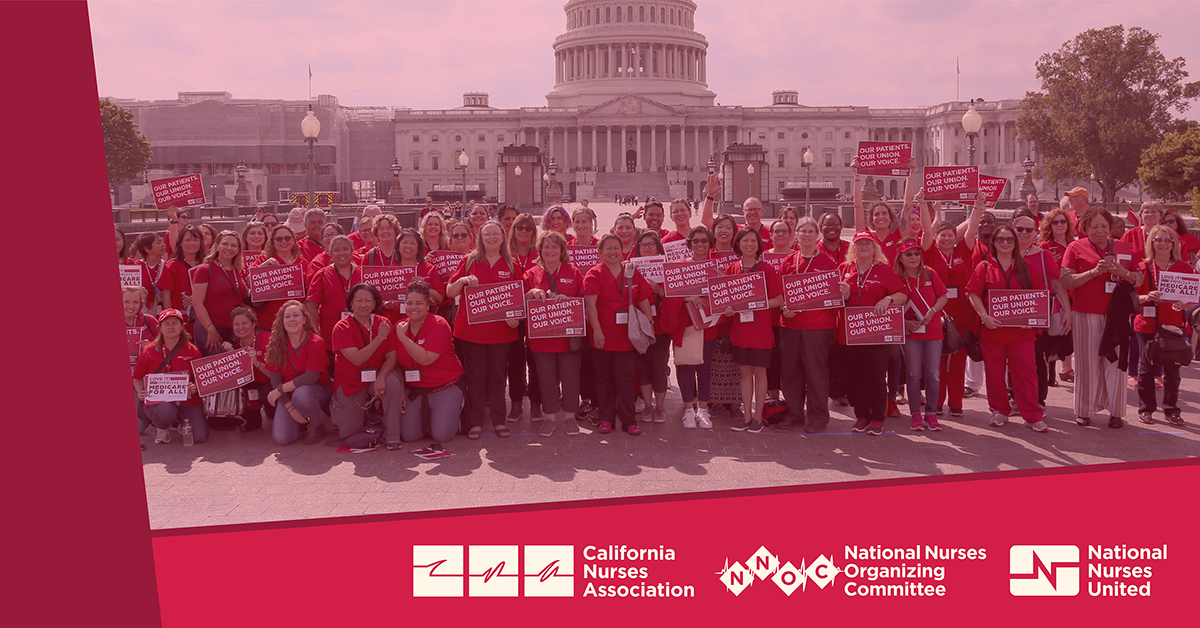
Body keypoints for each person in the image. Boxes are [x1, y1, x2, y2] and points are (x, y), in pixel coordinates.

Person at [1060, 207, 1143, 429]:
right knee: (1087, 363)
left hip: (1116, 315)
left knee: (1115, 364)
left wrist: (1122, 272)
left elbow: (1139, 279)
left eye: (1104, 226)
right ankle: (1084, 411)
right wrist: (1093, 273)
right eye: (1094, 226)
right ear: (1085, 228)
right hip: (1086, 313)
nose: (1100, 231)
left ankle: (1116, 412)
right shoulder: (1075, 247)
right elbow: (1066, 281)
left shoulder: (1122, 248)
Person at [967, 225, 1053, 431]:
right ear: (993, 243)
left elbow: (1039, 295)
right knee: (995, 374)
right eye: (1000, 239)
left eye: (1009, 240)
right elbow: (973, 294)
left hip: (1021, 333)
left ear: (1015, 243)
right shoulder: (985, 266)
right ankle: (999, 410)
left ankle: (1032, 414)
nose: (1005, 243)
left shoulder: (1026, 267)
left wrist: (1032, 317)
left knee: (1026, 374)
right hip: (992, 331)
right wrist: (984, 316)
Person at [446, 221, 523, 440]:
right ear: (480, 238)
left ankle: (499, 421)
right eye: (486, 234)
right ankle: (476, 422)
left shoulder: (512, 265)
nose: (491, 238)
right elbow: (450, 291)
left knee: (498, 377)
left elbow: (519, 298)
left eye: (495, 234)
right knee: (476, 378)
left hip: (501, 334)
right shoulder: (469, 261)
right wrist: (462, 280)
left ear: (502, 237)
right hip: (471, 333)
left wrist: (515, 317)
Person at [834, 232, 908, 435]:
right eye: (860, 244)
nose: (864, 247)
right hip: (849, 333)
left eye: (868, 243)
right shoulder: (844, 269)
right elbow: (832, 300)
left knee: (875, 376)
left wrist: (888, 300)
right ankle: (860, 415)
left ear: (874, 248)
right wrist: (846, 297)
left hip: (876, 334)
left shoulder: (884, 270)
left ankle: (877, 417)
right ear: (853, 248)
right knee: (854, 377)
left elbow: (902, 294)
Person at [583, 234, 653, 436]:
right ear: (600, 252)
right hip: (602, 337)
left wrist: (648, 323)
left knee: (626, 380)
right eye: (608, 248)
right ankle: (606, 418)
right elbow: (591, 306)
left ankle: (628, 420)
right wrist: (597, 331)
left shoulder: (631, 272)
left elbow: (643, 299)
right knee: (603, 380)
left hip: (628, 337)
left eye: (616, 247)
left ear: (621, 250)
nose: (613, 251)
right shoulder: (594, 274)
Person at [926, 193, 985, 417]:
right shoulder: (930, 254)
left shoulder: (964, 251)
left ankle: (956, 402)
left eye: (950, 235)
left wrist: (977, 208)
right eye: (943, 236)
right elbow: (927, 230)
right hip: (938, 316)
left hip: (962, 315)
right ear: (936, 238)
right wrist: (930, 209)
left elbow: (971, 230)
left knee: (958, 362)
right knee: (938, 363)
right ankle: (938, 401)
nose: (947, 239)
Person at [776, 217, 837, 433]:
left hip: (817, 327)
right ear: (797, 235)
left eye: (812, 231)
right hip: (791, 325)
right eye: (803, 231)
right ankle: (794, 414)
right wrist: (784, 308)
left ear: (817, 236)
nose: (807, 235)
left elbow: (833, 296)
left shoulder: (828, 262)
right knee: (790, 373)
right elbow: (780, 294)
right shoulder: (789, 261)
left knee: (816, 373)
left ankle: (818, 417)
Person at [523, 230, 586, 437]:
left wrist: (568, 301)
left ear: (562, 251)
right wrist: (530, 294)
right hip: (541, 340)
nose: (550, 250)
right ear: (540, 250)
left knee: (571, 378)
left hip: (568, 339)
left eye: (554, 246)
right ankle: (549, 417)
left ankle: (570, 417)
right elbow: (519, 302)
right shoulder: (531, 274)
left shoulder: (573, 272)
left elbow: (583, 300)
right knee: (546, 379)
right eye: (546, 246)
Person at [723, 227, 784, 432]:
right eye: (745, 241)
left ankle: (758, 417)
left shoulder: (767, 269)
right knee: (744, 373)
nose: (749, 244)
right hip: (740, 330)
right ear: (738, 244)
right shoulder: (732, 268)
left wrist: (757, 303)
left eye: (753, 241)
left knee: (760, 373)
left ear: (759, 245)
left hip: (760, 331)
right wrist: (728, 309)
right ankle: (747, 415)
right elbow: (725, 300)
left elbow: (779, 299)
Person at [393, 279, 465, 448]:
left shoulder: (438, 324)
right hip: (416, 389)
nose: (413, 307)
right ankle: (428, 418)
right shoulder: (400, 326)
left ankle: (459, 412)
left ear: (428, 305)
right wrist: (401, 387)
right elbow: (394, 361)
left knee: (442, 436)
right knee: (409, 436)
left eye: (419, 303)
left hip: (445, 386)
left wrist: (403, 337)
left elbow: (425, 359)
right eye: (409, 303)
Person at [330, 283, 404, 443]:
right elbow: (357, 359)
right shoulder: (341, 327)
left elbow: (391, 357)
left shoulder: (383, 323)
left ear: (375, 303)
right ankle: (368, 419)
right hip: (351, 380)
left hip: (377, 373)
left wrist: (381, 377)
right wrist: (379, 337)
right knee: (347, 433)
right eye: (358, 300)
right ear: (351, 303)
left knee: (391, 383)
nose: (363, 305)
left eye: (368, 300)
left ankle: (392, 435)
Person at [1133, 224, 1192, 426]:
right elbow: (1133, 298)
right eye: (1159, 239)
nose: (1164, 244)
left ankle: (1171, 410)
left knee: (1172, 371)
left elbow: (1192, 299)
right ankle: (1146, 409)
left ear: (1174, 243)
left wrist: (1186, 304)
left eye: (1168, 240)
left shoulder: (1184, 267)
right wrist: (1146, 296)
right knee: (1146, 369)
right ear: (1152, 243)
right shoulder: (1143, 267)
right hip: (1147, 324)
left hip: (1174, 325)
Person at [1015, 213, 1073, 407]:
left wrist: (1067, 313)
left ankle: (1038, 400)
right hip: (1012, 315)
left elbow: (1057, 285)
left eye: (1029, 230)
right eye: (1019, 229)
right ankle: (1014, 397)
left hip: (1037, 316)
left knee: (1036, 359)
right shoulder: (1004, 252)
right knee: (1013, 361)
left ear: (1036, 233)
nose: (1024, 233)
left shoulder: (1043, 254)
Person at [666, 225, 718, 429]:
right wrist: (687, 296)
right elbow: (669, 296)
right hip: (686, 325)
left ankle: (703, 410)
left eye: (704, 240)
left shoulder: (716, 269)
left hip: (709, 326)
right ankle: (688, 409)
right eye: (695, 240)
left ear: (710, 244)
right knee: (686, 367)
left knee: (705, 369)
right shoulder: (679, 267)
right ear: (690, 243)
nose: (700, 244)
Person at [132, 309, 207, 445]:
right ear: (160, 328)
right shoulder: (148, 350)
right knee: (165, 410)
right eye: (166, 323)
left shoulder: (192, 350)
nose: (171, 327)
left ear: (181, 327)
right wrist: (140, 392)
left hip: (187, 400)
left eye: (174, 323)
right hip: (160, 402)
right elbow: (137, 377)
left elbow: (200, 378)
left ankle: (180, 421)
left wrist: (195, 386)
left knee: (200, 437)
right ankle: (163, 427)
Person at [895, 238, 947, 430]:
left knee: (933, 374)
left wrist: (932, 312)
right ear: (900, 258)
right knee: (913, 374)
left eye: (917, 253)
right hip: (911, 333)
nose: (914, 257)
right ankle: (915, 414)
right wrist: (905, 323)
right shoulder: (897, 278)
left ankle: (931, 414)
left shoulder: (929, 273)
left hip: (933, 332)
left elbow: (943, 297)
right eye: (908, 254)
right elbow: (892, 306)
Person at [263, 301, 332, 445]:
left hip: (315, 390)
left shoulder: (315, 341)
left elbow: (311, 377)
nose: (292, 319)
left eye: (296, 315)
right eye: (287, 316)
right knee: (282, 439)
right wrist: (289, 407)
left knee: (302, 395)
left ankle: (317, 424)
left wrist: (280, 390)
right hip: (289, 395)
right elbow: (275, 380)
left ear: (304, 319)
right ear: (281, 321)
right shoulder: (276, 345)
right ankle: (301, 420)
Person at [505, 214, 542, 421]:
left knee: (536, 359)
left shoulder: (540, 252)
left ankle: (537, 403)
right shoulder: (505, 253)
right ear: (514, 230)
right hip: (514, 314)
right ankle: (517, 403)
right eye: (520, 228)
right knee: (516, 360)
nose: (524, 232)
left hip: (537, 313)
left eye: (528, 228)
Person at [633, 230, 670, 423]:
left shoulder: (667, 268)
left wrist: (659, 290)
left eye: (651, 244)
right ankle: (648, 406)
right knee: (644, 367)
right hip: (640, 326)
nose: (647, 248)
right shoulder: (631, 268)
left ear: (658, 247)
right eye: (643, 245)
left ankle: (660, 407)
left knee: (659, 366)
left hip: (660, 327)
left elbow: (676, 298)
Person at [306, 235, 362, 361]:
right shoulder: (322, 274)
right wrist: (315, 333)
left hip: (360, 335)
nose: (341, 253)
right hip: (329, 337)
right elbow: (311, 305)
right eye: (336, 250)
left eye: (345, 249)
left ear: (352, 251)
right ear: (330, 253)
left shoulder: (363, 274)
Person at [190, 230, 247, 357]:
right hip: (210, 327)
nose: (229, 248)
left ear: (238, 250)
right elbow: (197, 303)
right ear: (217, 246)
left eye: (233, 246)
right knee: (215, 367)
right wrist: (210, 329)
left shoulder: (238, 270)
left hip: (233, 328)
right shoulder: (205, 269)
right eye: (225, 244)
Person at [851, 157, 917, 263]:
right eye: (876, 214)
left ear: (891, 218)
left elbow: (907, 207)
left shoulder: (898, 237)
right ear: (871, 219)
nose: (881, 217)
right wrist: (856, 175)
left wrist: (910, 175)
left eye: (884, 213)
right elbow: (858, 206)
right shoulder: (867, 238)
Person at [1038, 207, 1078, 384]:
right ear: (1049, 225)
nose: (1060, 225)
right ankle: (1048, 374)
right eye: (1056, 222)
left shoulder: (1074, 243)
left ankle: (1066, 369)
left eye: (1063, 221)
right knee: (1052, 334)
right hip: (1054, 296)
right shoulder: (1045, 245)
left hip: (1072, 294)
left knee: (1067, 335)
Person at [220, 306, 272, 433]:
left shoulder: (268, 340)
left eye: (244, 323)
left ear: (253, 324)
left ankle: (272, 410)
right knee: (240, 389)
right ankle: (251, 418)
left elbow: (275, 374)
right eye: (236, 324)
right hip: (251, 384)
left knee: (266, 395)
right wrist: (232, 355)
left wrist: (256, 362)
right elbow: (235, 375)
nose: (240, 327)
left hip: (270, 382)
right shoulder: (234, 345)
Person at [250, 224, 311, 331]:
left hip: (295, 323)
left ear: (293, 240)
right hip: (268, 324)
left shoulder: (302, 263)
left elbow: (309, 291)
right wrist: (263, 266)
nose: (284, 241)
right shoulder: (264, 259)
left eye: (287, 238)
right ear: (273, 242)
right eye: (279, 239)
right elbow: (249, 282)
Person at [124, 286, 158, 448]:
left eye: (135, 302)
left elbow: (168, 343)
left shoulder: (148, 320)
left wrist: (151, 345)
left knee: (138, 428)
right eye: (127, 302)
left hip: (143, 377)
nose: (131, 306)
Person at [156, 225, 206, 333]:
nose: (192, 243)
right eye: (188, 240)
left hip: (205, 319)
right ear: (180, 244)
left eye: (195, 240)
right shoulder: (172, 265)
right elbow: (166, 295)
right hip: (182, 320)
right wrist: (171, 319)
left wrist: (197, 296)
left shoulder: (207, 264)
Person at [132, 231, 166, 315]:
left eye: (163, 241)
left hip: (163, 312)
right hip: (141, 312)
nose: (164, 245)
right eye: (158, 242)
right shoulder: (135, 267)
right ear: (147, 249)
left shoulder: (167, 266)